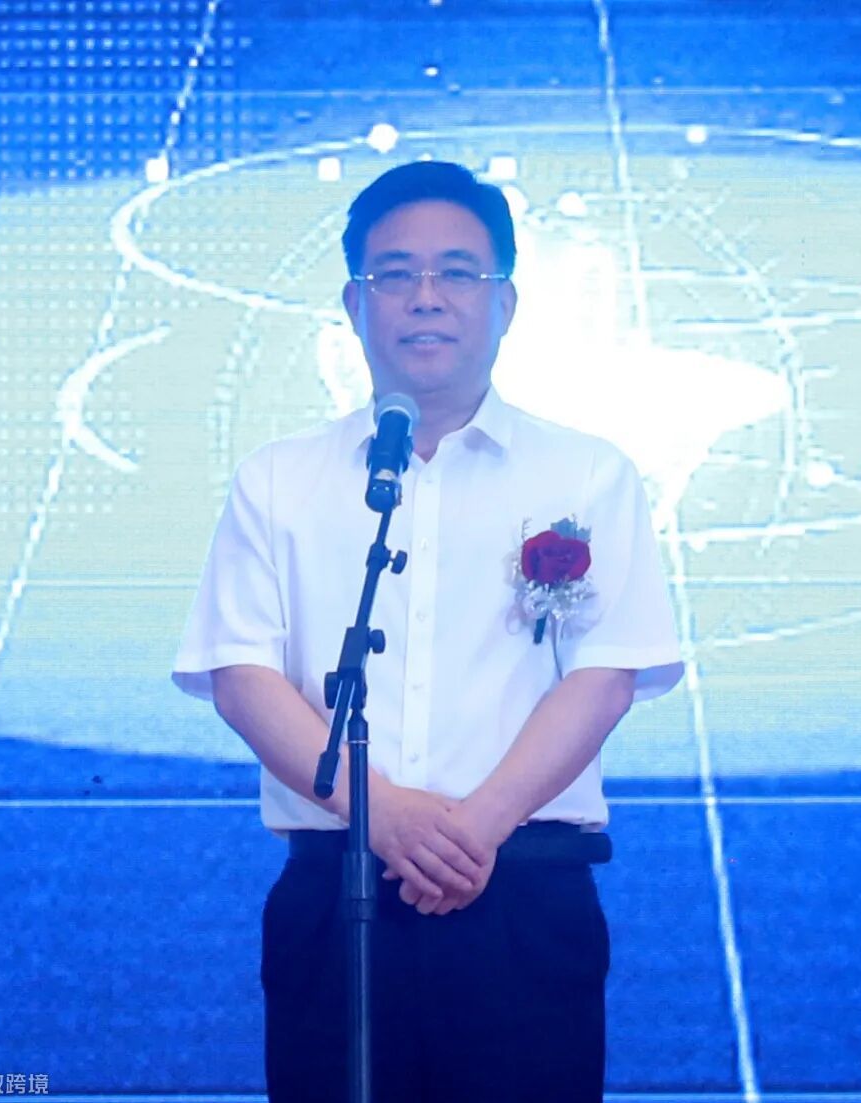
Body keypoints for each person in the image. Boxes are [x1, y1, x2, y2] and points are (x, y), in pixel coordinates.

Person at [172, 160, 684, 1103]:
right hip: (335, 892)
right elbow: (243, 676)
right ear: (354, 303)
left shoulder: (586, 474)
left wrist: (477, 825)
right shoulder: (278, 479)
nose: (426, 297)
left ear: (506, 302)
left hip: (525, 893)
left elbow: (605, 674)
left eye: (457, 272)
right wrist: (386, 814)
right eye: (395, 274)